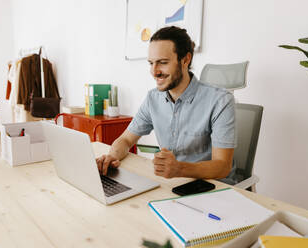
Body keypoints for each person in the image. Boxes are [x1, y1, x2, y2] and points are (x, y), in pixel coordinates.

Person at [96, 26, 236, 182]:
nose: (154, 72)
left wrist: (180, 168)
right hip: (172, 184)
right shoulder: (153, 99)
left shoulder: (220, 101)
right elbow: (126, 140)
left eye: (162, 62)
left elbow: (223, 166)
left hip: (211, 187)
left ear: (185, 59)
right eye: (151, 63)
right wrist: (111, 157)